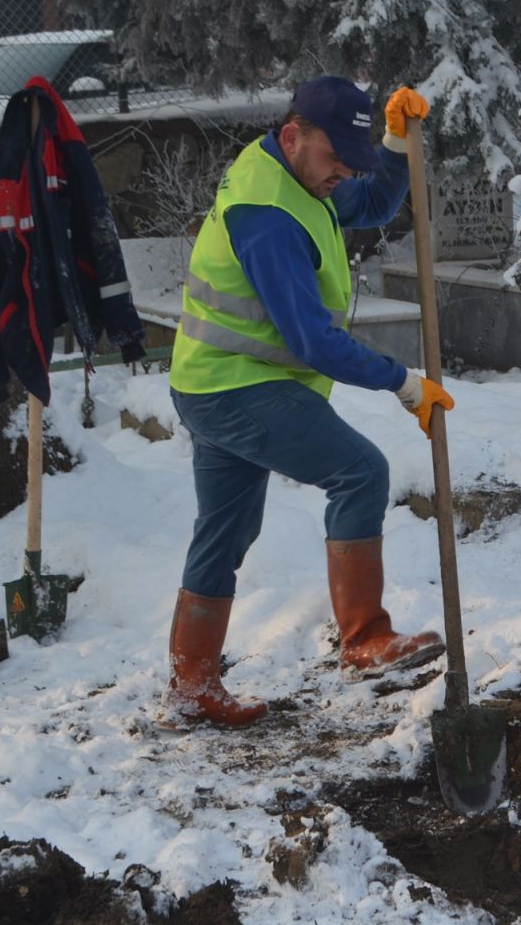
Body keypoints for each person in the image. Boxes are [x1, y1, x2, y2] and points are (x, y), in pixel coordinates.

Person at [163, 76, 454, 729]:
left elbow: (372, 201)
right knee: (360, 471)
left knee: (226, 530)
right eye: (335, 159)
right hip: (237, 385)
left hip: (211, 379)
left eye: (349, 160)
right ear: (293, 136)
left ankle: (191, 688)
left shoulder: (296, 170)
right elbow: (314, 342)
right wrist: (403, 383)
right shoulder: (268, 217)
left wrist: (395, 143)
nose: (342, 173)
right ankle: (364, 640)